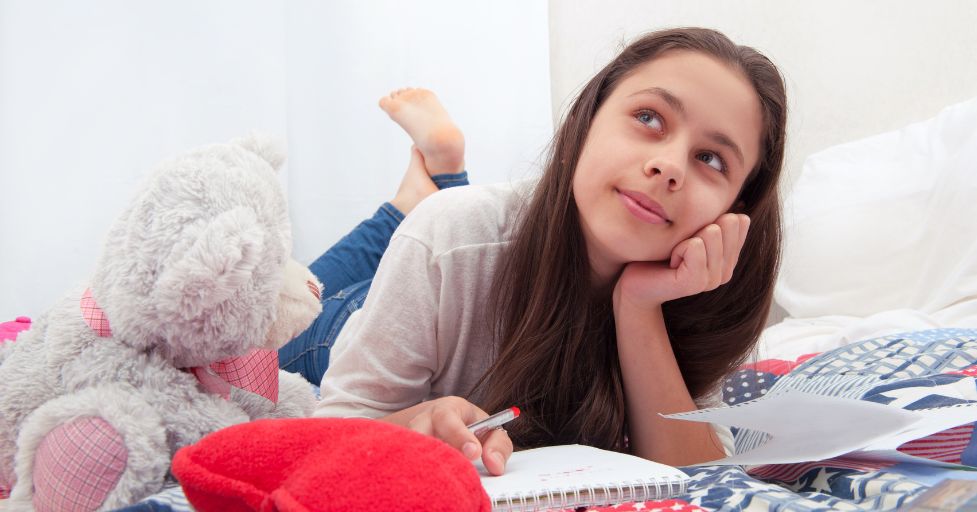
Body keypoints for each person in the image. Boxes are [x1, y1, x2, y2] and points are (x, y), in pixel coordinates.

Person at [279, 27, 787, 476]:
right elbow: (333, 431)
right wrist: (412, 423)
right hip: (345, 326)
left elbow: (699, 475)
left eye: (711, 159)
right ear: (589, 117)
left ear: (735, 208)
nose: (669, 165)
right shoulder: (454, 236)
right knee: (285, 302)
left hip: (454, 258)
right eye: (649, 117)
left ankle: (426, 189)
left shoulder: (697, 287)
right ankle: (412, 202)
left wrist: (638, 306)